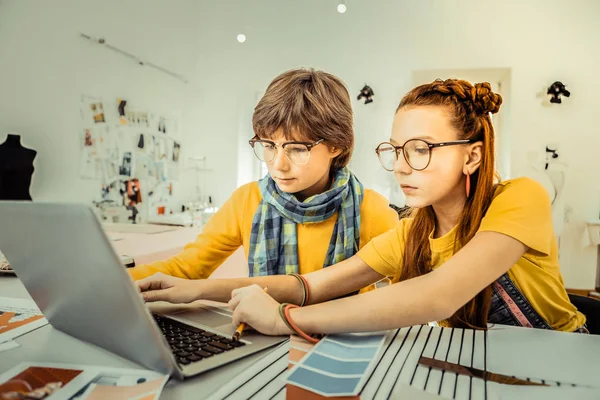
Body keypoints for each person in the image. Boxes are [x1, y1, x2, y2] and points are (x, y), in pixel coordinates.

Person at [137, 78, 587, 335]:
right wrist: (192, 289)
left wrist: (285, 320)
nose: (402, 167)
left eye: (422, 149)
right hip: (476, 363)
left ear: (471, 155)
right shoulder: (413, 231)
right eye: (396, 150)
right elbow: (308, 284)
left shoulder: (519, 197)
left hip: (558, 364)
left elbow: (438, 295)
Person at [128, 68, 398, 281]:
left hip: (347, 345)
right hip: (263, 338)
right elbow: (187, 267)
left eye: (296, 149)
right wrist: (115, 281)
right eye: (268, 146)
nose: (277, 164)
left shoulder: (371, 211)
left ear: (336, 145)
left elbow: (410, 291)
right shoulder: (247, 200)